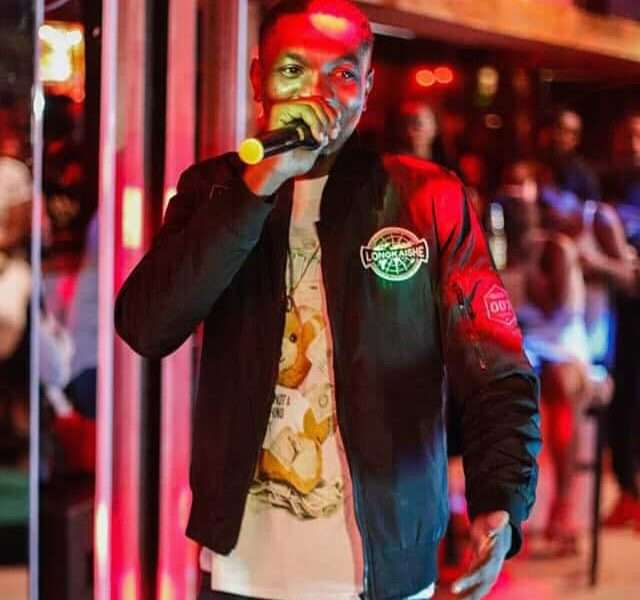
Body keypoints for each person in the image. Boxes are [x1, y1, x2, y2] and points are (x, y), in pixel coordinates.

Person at [115, 2, 540, 599]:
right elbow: (146, 324)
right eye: (294, 69)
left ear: (366, 89)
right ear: (259, 79)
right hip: (244, 567)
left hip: (386, 564)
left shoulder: (425, 198)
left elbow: (495, 366)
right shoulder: (214, 190)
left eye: (341, 74)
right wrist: (257, 187)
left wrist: (500, 499)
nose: (318, 93)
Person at [541, 108, 600, 204]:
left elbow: (592, 208)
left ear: (576, 140)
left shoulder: (584, 175)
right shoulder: (536, 165)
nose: (561, 136)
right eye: (559, 128)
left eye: (569, 132)